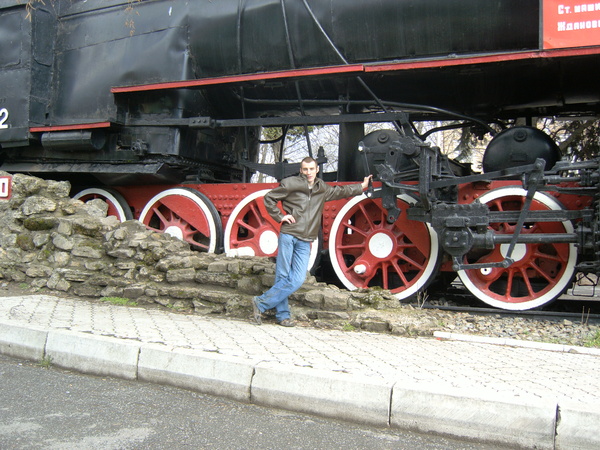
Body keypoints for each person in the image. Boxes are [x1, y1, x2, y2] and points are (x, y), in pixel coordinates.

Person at [252, 156, 372, 327]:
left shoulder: (321, 188)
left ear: (317, 170)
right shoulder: (291, 184)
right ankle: (283, 316)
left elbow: (340, 192)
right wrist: (280, 216)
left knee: (298, 279)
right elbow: (269, 198)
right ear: (301, 170)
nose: (308, 172)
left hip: (306, 239)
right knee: (283, 276)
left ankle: (261, 302)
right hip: (289, 235)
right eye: (305, 169)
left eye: (311, 169)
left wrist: (361, 187)